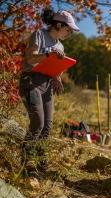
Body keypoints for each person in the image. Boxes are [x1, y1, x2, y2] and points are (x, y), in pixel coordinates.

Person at [19, 9, 80, 176]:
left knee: (47, 126)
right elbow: (30, 58)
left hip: (47, 85)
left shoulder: (61, 45)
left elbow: (55, 67)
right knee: (37, 122)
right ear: (58, 25)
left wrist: (57, 77)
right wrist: (48, 54)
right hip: (30, 82)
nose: (70, 33)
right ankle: (26, 162)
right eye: (68, 29)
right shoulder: (38, 34)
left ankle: (41, 163)